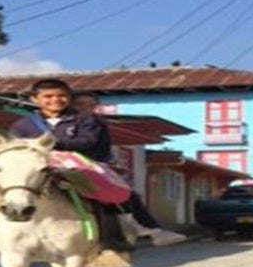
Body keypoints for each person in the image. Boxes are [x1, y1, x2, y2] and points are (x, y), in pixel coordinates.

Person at [0, 78, 137, 267]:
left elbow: (88, 142)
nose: (55, 100)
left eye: (61, 96)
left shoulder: (85, 120)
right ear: (35, 99)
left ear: (69, 98)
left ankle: (111, 244)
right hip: (34, 167)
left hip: (73, 165)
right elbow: (17, 145)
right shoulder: (24, 124)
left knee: (102, 196)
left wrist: (54, 144)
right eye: (48, 96)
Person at [70, 92, 188, 248]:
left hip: (87, 164)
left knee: (122, 193)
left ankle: (142, 228)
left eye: (90, 105)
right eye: (80, 105)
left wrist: (101, 163)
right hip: (52, 161)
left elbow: (93, 145)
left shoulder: (96, 122)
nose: (85, 108)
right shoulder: (59, 121)